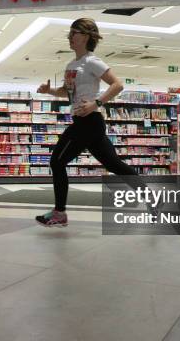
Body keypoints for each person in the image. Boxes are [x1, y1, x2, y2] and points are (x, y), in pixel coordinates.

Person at [35, 18, 140, 227]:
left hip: (88, 121)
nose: (70, 37)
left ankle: (59, 213)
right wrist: (50, 91)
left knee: (57, 162)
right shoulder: (71, 64)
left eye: (74, 33)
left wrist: (96, 103)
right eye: (70, 33)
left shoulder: (92, 61)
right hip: (85, 121)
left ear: (85, 36)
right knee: (114, 164)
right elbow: (67, 92)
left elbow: (117, 84)